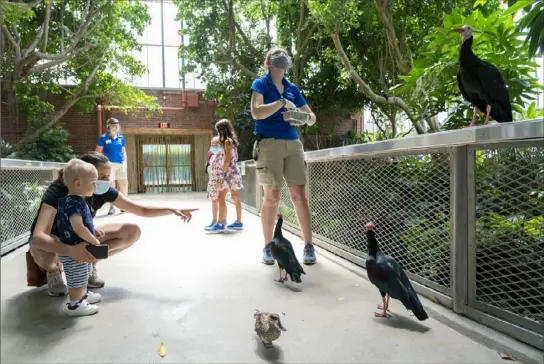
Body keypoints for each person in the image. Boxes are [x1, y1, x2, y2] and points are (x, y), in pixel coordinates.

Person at [27, 151, 198, 297]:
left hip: (81, 236)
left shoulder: (102, 190)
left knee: (131, 231)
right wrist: (71, 251)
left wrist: (171, 209)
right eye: (101, 177)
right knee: (43, 247)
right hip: (56, 241)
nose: (105, 181)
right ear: (82, 178)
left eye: (108, 177)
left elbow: (141, 210)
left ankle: (89, 264)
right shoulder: (58, 191)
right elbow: (38, 236)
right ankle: (53, 271)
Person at [250, 46, 317, 266]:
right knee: (272, 197)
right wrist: (280, 103)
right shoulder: (261, 84)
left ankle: (308, 245)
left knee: (299, 195)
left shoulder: (292, 88)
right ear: (268, 63)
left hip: (293, 142)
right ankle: (268, 246)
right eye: (275, 60)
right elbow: (256, 111)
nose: (279, 64)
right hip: (269, 144)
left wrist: (303, 117)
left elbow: (311, 116)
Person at [55, 159, 103, 316]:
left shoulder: (67, 201)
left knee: (84, 272)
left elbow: (77, 225)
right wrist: (93, 241)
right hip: (76, 249)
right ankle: (75, 305)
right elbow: (78, 227)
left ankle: (84, 295)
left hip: (77, 246)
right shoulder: (75, 203)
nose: (95, 186)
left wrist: (93, 230)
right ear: (78, 184)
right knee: (77, 276)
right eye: (93, 182)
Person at [204, 119, 244, 233]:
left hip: (228, 173)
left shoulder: (227, 141)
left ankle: (220, 224)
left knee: (221, 197)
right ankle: (238, 222)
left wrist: (221, 177)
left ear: (222, 130)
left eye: (218, 131)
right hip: (234, 172)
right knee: (236, 198)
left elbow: (227, 161)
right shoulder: (232, 141)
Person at [96, 118, 127, 215]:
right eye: (113, 125)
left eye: (117, 125)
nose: (115, 127)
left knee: (123, 184)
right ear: (108, 126)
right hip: (109, 165)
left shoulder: (121, 138)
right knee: (111, 185)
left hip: (120, 164)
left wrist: (125, 163)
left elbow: (124, 152)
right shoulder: (103, 138)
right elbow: (97, 152)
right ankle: (112, 207)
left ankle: (124, 206)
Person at [204, 137, 226, 229]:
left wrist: (221, 179)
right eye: (212, 144)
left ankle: (223, 220)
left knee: (222, 200)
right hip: (213, 179)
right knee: (214, 200)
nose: (213, 146)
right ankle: (214, 220)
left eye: (216, 144)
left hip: (221, 179)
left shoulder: (224, 154)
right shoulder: (210, 154)